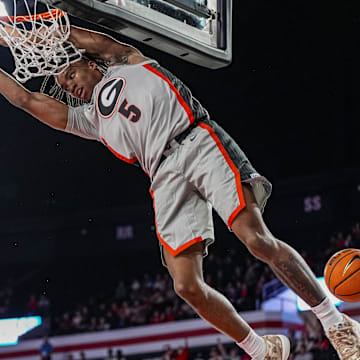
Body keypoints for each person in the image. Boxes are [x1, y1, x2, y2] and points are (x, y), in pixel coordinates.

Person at [0, 22, 359, 360]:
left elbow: (79, 38)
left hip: (195, 140)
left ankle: (335, 322)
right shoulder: (89, 120)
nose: (68, 85)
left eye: (70, 74)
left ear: (91, 64)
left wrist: (31, 35)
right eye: (62, 84)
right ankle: (262, 349)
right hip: (162, 175)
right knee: (186, 286)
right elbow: (24, 99)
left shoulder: (127, 60)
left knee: (254, 239)